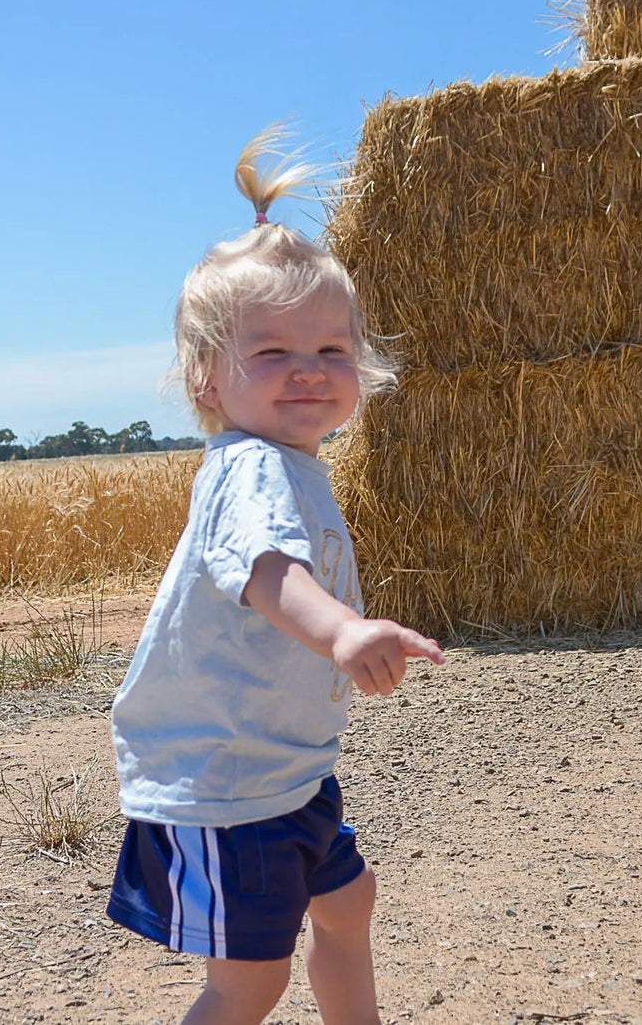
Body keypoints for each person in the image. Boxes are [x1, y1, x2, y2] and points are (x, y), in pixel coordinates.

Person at [106, 126, 446, 1025]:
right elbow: (265, 572)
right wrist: (340, 631)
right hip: (227, 787)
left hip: (281, 771)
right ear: (207, 379)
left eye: (331, 351)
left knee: (347, 903)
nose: (308, 370)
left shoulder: (287, 462)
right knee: (249, 982)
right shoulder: (250, 466)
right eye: (271, 353)